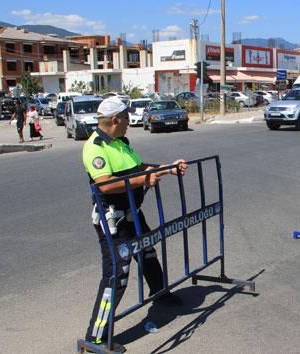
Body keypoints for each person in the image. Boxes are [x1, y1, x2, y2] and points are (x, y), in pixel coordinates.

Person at [82, 96, 188, 351]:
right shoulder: (95, 147)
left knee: (148, 252)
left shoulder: (121, 142)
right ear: (115, 119)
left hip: (133, 214)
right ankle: (95, 337)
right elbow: (105, 184)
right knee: (117, 275)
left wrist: (166, 168)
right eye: (127, 118)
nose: (130, 122)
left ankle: (160, 293)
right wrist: (144, 180)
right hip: (113, 221)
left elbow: (139, 168)